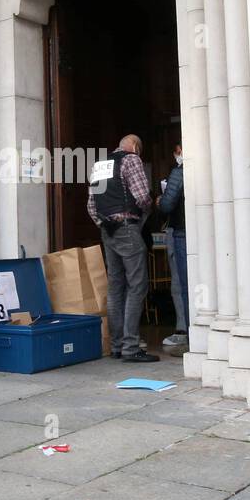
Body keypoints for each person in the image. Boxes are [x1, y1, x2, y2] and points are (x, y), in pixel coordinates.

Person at [88, 133, 157, 361]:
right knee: (137, 285)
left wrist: (103, 223)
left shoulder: (100, 165)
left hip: (107, 231)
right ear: (135, 147)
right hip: (127, 228)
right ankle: (131, 347)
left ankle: (117, 346)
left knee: (115, 287)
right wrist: (149, 209)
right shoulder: (132, 159)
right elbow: (141, 196)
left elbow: (91, 205)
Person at [157, 143, 187, 350]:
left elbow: (167, 204)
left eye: (177, 150)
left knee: (181, 283)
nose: (176, 153)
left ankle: (184, 330)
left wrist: (159, 201)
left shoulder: (179, 172)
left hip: (180, 232)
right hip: (202, 231)